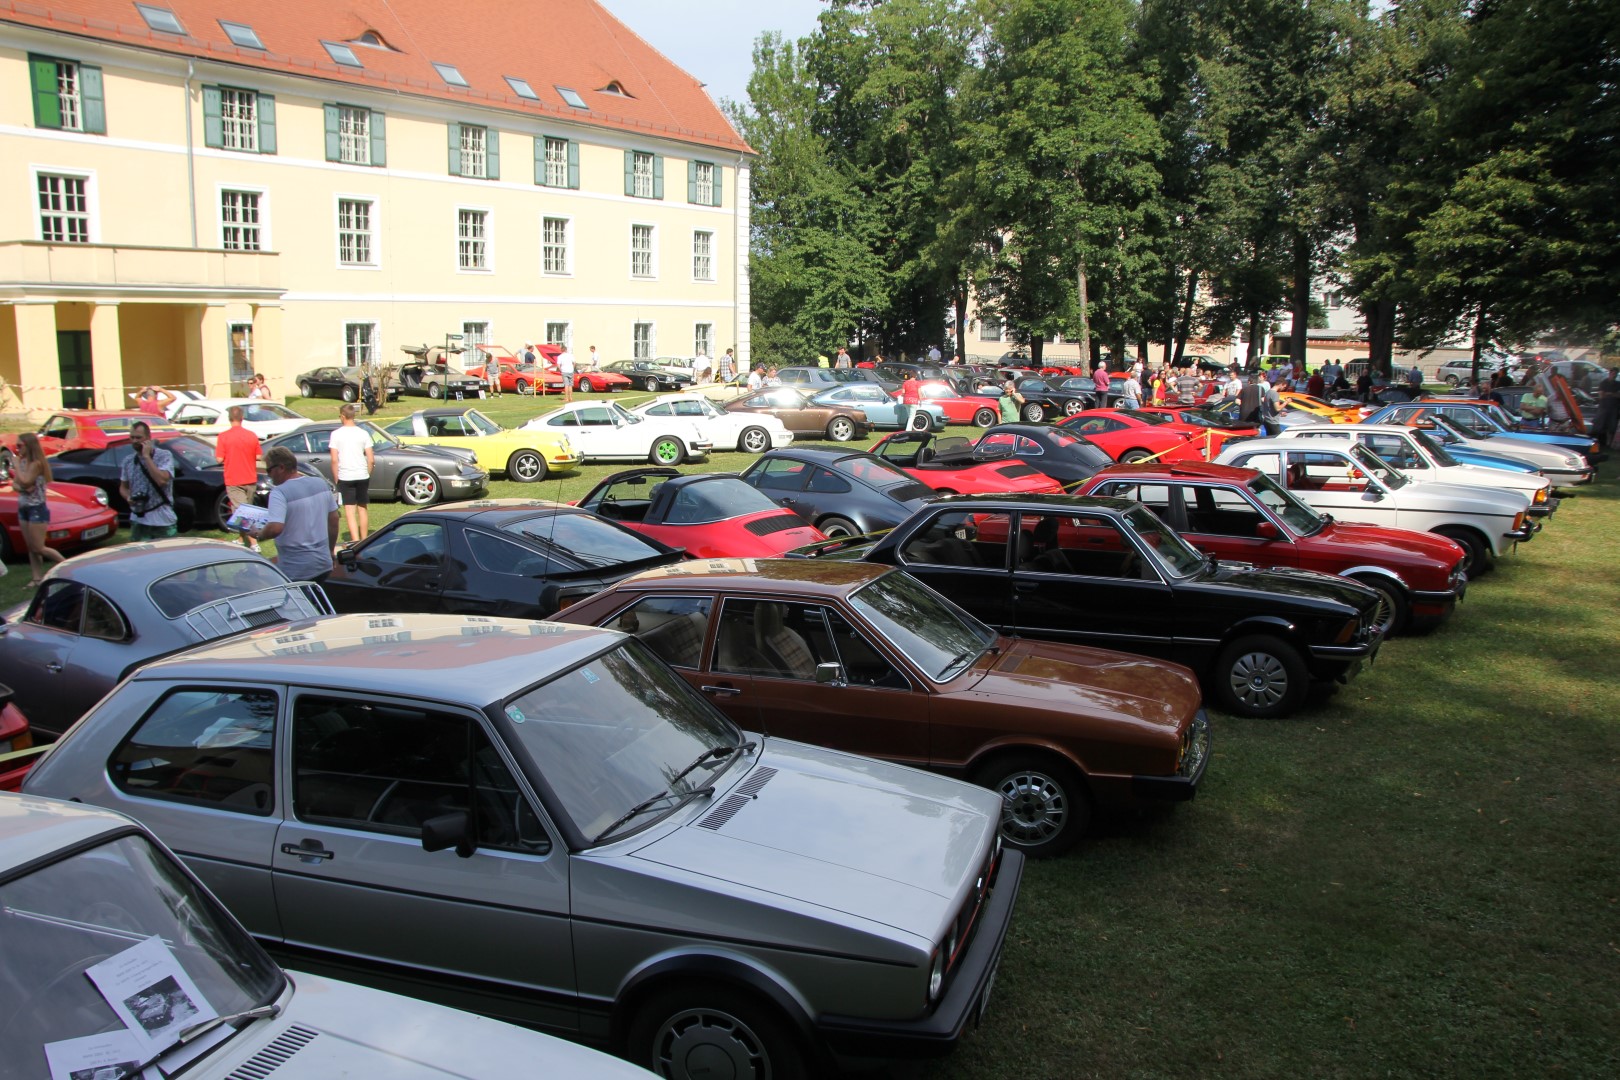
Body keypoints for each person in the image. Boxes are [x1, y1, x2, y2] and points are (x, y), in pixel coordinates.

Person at [255, 447, 339, 582]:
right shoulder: (320, 483)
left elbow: (275, 528)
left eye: (269, 470)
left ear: (281, 468)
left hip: (296, 568)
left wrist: (259, 534)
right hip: (323, 563)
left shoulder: (279, 492)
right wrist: (330, 551)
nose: (269, 475)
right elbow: (334, 520)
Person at [11, 433, 62, 583]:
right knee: (31, 547)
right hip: (23, 507)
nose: (17, 449)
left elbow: (25, 481)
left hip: (37, 509)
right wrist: (21, 486)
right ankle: (37, 578)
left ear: (29, 445)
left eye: (20, 446)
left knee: (39, 547)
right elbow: (16, 484)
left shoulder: (36, 464)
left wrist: (16, 468)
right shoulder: (22, 462)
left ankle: (66, 565)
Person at [119, 421, 178, 541]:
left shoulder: (164, 455)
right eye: (132, 437)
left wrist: (146, 457)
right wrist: (128, 497)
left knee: (166, 556)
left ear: (148, 438)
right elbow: (123, 487)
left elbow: (162, 481)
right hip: (139, 518)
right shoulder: (128, 461)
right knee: (140, 558)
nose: (135, 441)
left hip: (162, 519)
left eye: (139, 437)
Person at [216, 405, 263, 552]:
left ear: (230, 419)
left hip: (234, 479)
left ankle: (254, 543)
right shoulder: (251, 435)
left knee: (242, 513)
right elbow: (258, 456)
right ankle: (242, 539)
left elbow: (218, 459)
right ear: (242, 418)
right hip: (250, 477)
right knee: (246, 510)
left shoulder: (223, 437)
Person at [328, 403, 374, 544]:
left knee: (349, 509)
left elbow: (334, 460)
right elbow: (371, 459)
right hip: (362, 475)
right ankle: (364, 540)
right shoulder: (363, 433)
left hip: (345, 475)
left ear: (342, 416)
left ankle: (355, 541)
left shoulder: (336, 434)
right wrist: (367, 473)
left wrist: (336, 478)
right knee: (362, 508)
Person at [1593, 367, 1619, 448]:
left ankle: (1609, 444)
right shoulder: (1603, 383)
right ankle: (1598, 443)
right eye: (1613, 374)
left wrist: (1608, 394)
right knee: (1600, 426)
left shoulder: (1618, 384)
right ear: (1609, 373)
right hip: (1603, 408)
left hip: (1614, 408)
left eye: (1615, 374)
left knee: (1612, 427)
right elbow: (1601, 395)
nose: (1614, 376)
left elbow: (1619, 395)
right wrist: (1613, 394)